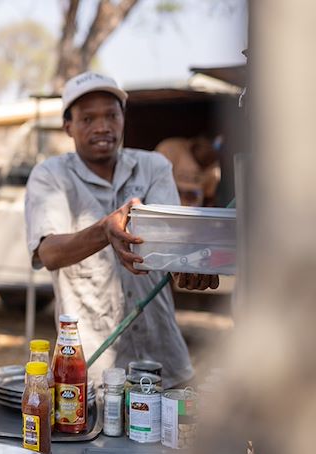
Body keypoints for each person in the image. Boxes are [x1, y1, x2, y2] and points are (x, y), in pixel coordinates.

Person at [25, 71, 219, 388]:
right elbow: (48, 253)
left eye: (111, 115)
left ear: (123, 118)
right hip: (90, 370)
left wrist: (192, 266)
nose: (102, 126)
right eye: (87, 118)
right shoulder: (50, 176)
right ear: (68, 127)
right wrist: (104, 230)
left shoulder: (154, 167)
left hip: (164, 361)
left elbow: (172, 246)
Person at [155, 135, 222, 206]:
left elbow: (209, 196)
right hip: (165, 206)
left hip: (194, 211)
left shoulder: (213, 170)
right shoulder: (169, 149)